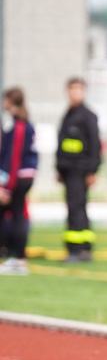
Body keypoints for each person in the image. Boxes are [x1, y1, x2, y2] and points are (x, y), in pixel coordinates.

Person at [56, 77, 101, 262]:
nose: (74, 93)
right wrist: (59, 168)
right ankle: (80, 248)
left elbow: (95, 145)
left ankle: (79, 250)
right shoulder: (69, 114)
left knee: (77, 208)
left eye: (78, 90)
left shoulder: (87, 115)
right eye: (71, 90)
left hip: (80, 170)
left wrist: (92, 170)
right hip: (68, 170)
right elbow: (63, 145)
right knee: (75, 207)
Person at [0, 88, 38, 275]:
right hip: (21, 176)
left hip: (19, 177)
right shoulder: (15, 123)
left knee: (17, 216)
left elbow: (13, 159)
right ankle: (12, 254)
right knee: (14, 214)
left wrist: (6, 187)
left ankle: (18, 258)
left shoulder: (19, 126)